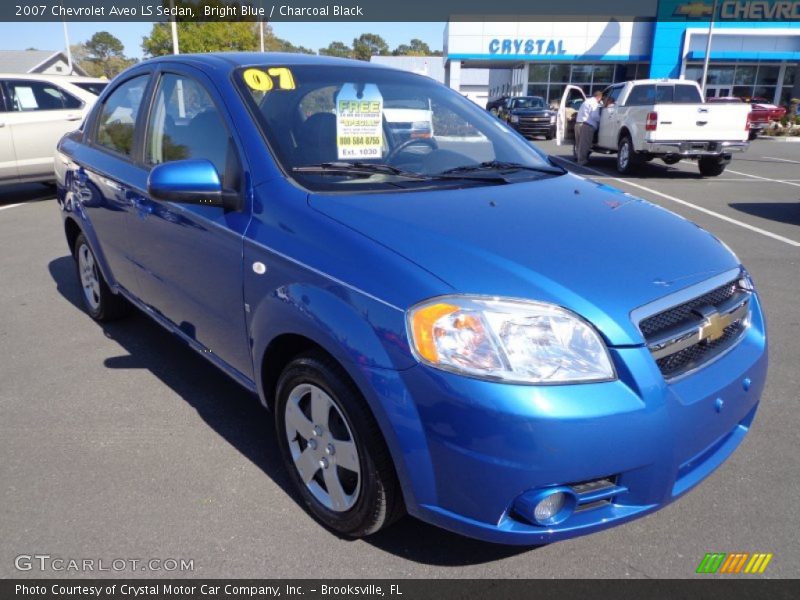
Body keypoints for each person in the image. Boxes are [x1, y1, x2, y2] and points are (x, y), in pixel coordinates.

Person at [574, 90, 603, 166]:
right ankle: (582, 160)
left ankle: (578, 157)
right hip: (587, 125)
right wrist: (601, 120)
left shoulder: (586, 101)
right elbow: (594, 116)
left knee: (579, 143)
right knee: (585, 144)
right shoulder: (594, 103)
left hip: (578, 123)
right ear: (599, 97)